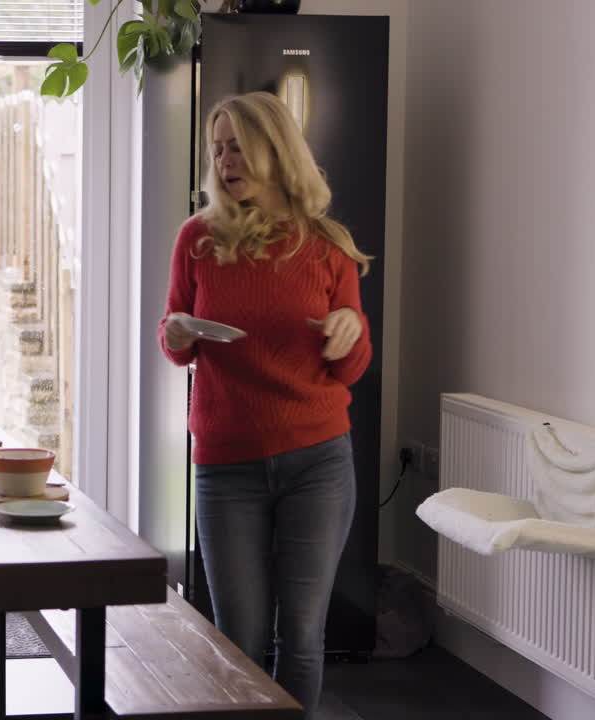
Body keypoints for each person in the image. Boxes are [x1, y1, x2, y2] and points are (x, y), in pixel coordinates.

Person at [157, 91, 372, 716]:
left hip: (318, 460)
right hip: (227, 465)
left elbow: (351, 368)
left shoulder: (328, 245)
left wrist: (349, 332)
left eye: (237, 147)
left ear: (276, 151)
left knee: (302, 639)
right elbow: (177, 335)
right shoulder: (197, 239)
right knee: (238, 641)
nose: (225, 160)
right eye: (217, 148)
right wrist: (173, 333)